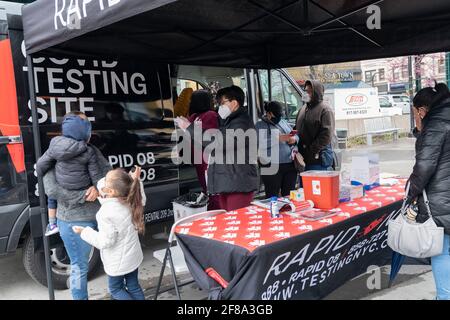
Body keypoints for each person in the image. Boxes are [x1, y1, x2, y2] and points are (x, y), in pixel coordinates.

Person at [40, 112, 111, 300]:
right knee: (79, 266)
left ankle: (118, 293)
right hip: (73, 220)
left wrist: (97, 187)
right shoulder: (54, 153)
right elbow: (51, 189)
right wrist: (83, 196)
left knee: (111, 260)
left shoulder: (91, 149)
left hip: (101, 215)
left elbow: (107, 174)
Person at [175, 85, 258, 211]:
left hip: (238, 184)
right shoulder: (227, 121)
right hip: (228, 182)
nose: (219, 107)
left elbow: (218, 142)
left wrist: (189, 128)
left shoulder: (242, 123)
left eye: (222, 103)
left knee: (237, 223)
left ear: (234, 103)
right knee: (228, 222)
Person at [74, 166, 146, 300]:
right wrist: (135, 179)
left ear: (111, 191)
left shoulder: (105, 213)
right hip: (133, 257)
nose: (103, 183)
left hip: (116, 262)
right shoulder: (132, 200)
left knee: (116, 289)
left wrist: (85, 232)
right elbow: (138, 195)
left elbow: (105, 242)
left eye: (106, 181)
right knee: (133, 286)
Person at [407, 82, 450, 300]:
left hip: (443, 200)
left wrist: (409, 192)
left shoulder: (435, 124)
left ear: (422, 110)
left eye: (416, 113)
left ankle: (444, 296)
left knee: (442, 252)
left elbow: (424, 165)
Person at [36, 111, 103, 236]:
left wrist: (41, 170)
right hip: (76, 209)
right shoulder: (88, 151)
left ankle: (51, 223)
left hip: (72, 197)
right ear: (85, 134)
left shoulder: (54, 148)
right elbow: (97, 177)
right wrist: (96, 187)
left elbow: (40, 166)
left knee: (51, 199)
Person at [256, 101, 297, 198]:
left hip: (289, 164)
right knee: (272, 195)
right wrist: (277, 139)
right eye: (276, 115)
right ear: (269, 113)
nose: (279, 118)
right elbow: (259, 143)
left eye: (280, 115)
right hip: (271, 166)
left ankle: (289, 212)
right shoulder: (259, 125)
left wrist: (294, 139)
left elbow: (295, 135)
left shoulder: (283, 122)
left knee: (289, 195)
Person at [188, 90, 220, 209]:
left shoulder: (202, 116)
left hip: (203, 159)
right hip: (202, 159)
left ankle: (214, 211)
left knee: (210, 189)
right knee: (209, 189)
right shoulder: (201, 116)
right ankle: (213, 211)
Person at [293, 80, 335, 171]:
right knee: (304, 185)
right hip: (302, 159)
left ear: (317, 92)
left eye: (309, 91)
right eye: (305, 90)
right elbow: (297, 129)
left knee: (317, 184)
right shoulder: (303, 109)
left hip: (318, 160)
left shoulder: (325, 110)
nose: (306, 93)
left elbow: (326, 136)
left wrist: (310, 152)